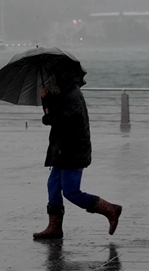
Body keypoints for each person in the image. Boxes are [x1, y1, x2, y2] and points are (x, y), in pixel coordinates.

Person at [33, 72, 123, 240]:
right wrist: (45, 99)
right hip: (61, 149)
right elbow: (55, 111)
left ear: (61, 78)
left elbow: (66, 118)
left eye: (53, 79)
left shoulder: (72, 96)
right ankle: (54, 228)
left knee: (71, 191)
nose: (52, 82)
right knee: (53, 186)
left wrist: (48, 118)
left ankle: (110, 209)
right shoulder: (63, 93)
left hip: (72, 150)